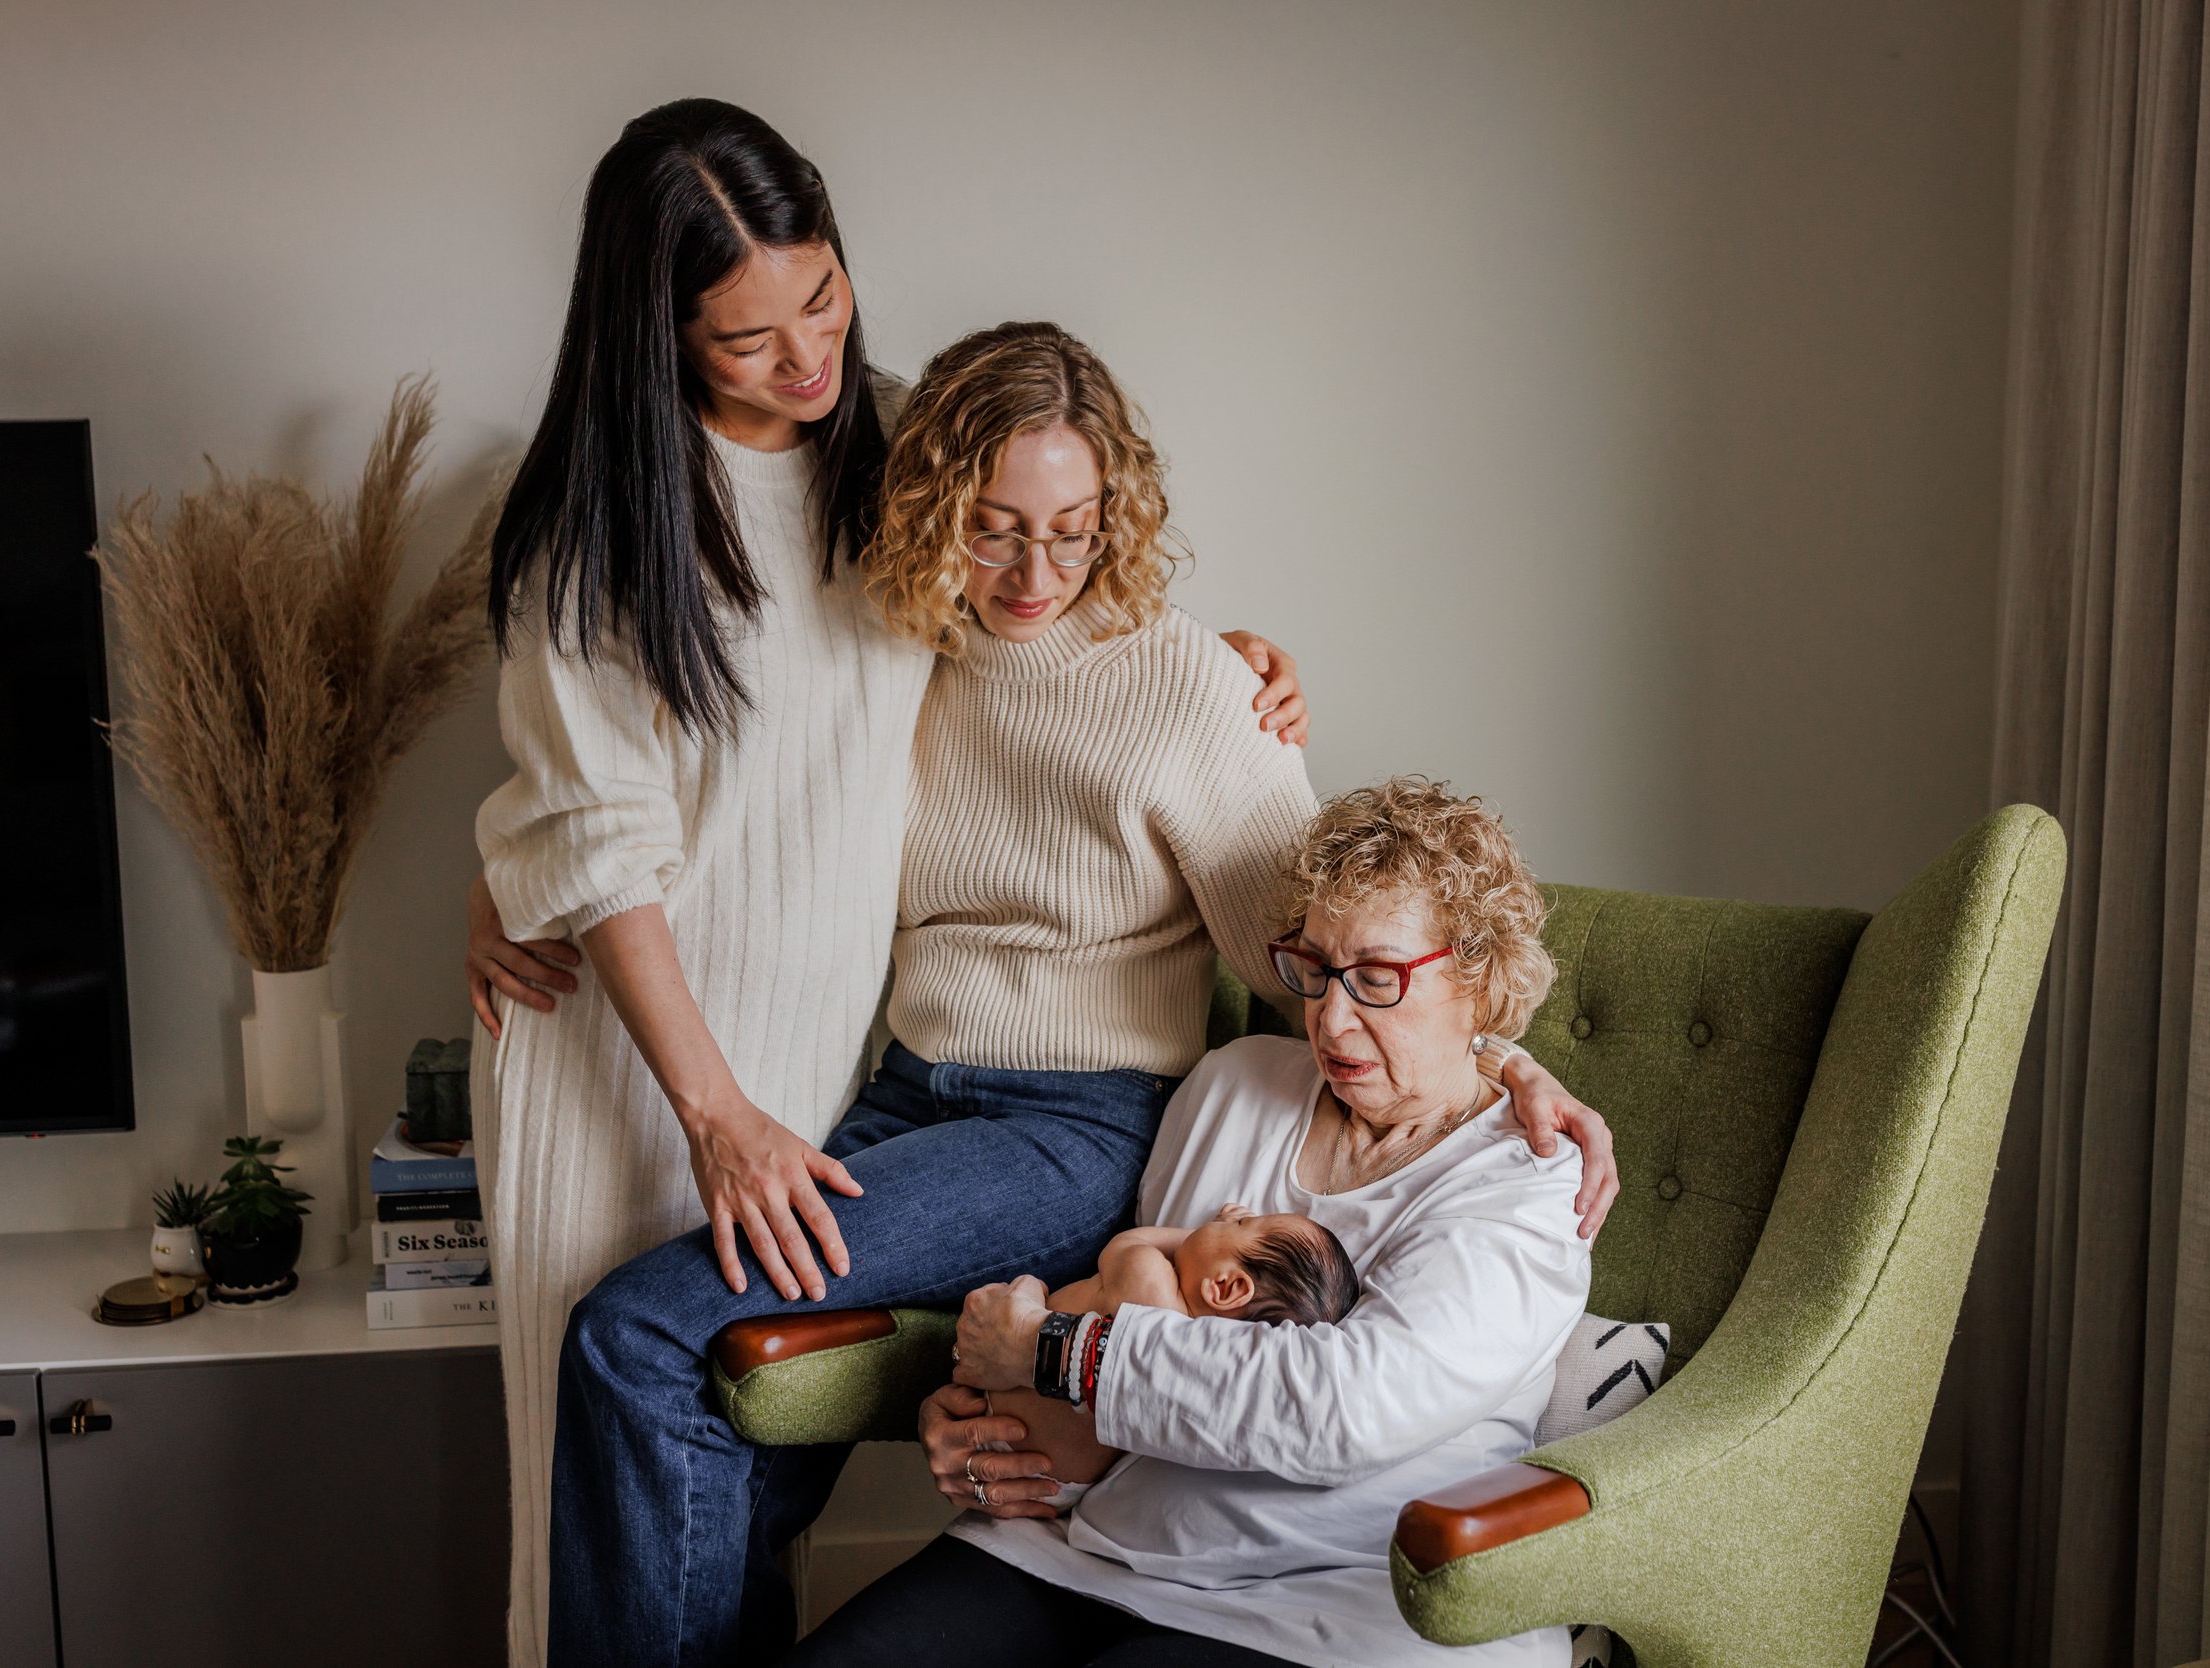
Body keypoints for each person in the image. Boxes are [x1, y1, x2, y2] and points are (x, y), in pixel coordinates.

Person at [525, 323, 1619, 1665]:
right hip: (905, 1097)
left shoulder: (1189, 692)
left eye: (1075, 529)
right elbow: (656, 770)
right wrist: (502, 876)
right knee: (728, 1414)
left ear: (1118, 516)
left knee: (634, 1333)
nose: (1034, 573)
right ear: (929, 507)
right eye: (991, 529)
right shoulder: (897, 654)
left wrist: (1508, 1065)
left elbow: (1347, 953)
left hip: (1074, 1131)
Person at [462, 103, 1311, 1668]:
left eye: (824, 301)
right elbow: (591, 811)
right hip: (710, 1063)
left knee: (656, 1353)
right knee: (700, 1415)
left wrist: (1235, 667)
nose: (806, 364)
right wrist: (518, 866)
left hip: (992, 1099)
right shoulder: (610, 533)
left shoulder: (901, 442)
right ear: (654, 334)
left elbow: (1063, 548)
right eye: (745, 340)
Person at [810, 778, 1593, 1668]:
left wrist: (1048, 1352)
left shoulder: (1533, 1179)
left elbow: (1343, 1409)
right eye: (1315, 968)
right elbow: (1119, 1314)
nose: (1330, 1019)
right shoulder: (1234, 1086)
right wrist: (995, 1440)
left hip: (1343, 1600)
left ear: (1479, 982)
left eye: (1377, 979)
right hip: (1082, 1550)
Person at [983, 1205, 1363, 1509]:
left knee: (1024, 1290)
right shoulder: (1194, 1363)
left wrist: (1196, 1236)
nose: (1230, 1216)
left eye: (1243, 1223)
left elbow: (1125, 1244)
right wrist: (1221, 1244)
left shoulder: (1148, 1278)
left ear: (1225, 1286)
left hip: (999, 1411)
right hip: (1061, 1484)